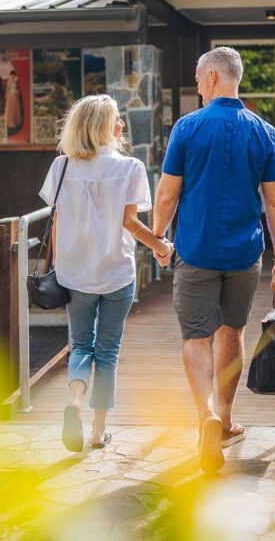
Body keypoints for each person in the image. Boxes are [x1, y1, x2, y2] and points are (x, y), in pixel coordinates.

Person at [152, 46, 275, 474]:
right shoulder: (264, 132)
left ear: (212, 77)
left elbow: (168, 195)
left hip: (195, 251)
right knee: (232, 333)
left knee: (197, 337)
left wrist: (158, 238)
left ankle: (206, 416)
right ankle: (227, 422)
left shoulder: (187, 128)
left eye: (198, 79)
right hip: (244, 254)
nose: (197, 87)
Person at [39, 94, 172, 452]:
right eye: (117, 118)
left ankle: (74, 402)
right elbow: (130, 223)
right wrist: (161, 246)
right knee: (108, 351)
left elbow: (56, 222)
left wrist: (58, 266)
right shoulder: (129, 168)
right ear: (103, 126)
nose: (122, 123)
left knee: (81, 345)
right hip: (115, 273)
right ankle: (98, 432)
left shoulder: (61, 167)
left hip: (75, 274)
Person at [5, 69, 24, 135]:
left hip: (15, 95)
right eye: (12, 75)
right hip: (11, 95)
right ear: (11, 75)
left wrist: (17, 92)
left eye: (14, 75)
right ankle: (11, 123)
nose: (13, 76)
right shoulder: (10, 80)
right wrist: (6, 96)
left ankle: (16, 122)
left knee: (16, 109)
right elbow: (7, 89)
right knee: (12, 109)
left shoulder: (15, 81)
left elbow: (17, 88)